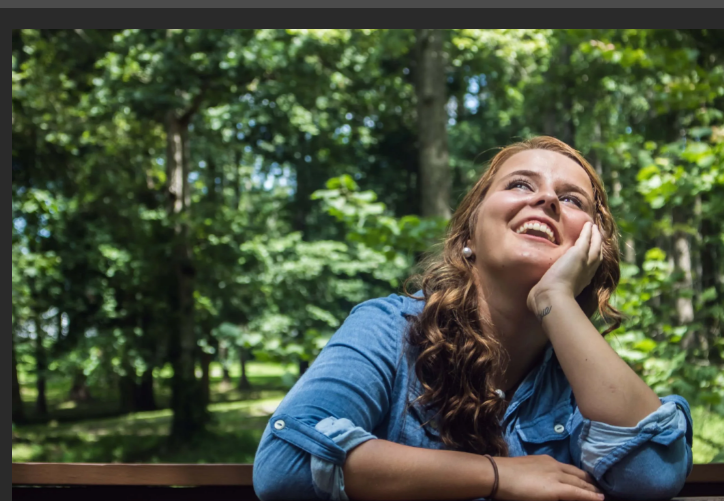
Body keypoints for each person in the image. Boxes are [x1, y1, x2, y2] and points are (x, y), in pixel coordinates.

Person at [253, 136, 693, 501]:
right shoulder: (389, 328)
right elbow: (284, 464)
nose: (545, 199)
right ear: (469, 234)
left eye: (571, 198)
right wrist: (497, 475)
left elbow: (651, 475)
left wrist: (555, 298)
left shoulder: (584, 380)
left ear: (592, 247)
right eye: (520, 185)